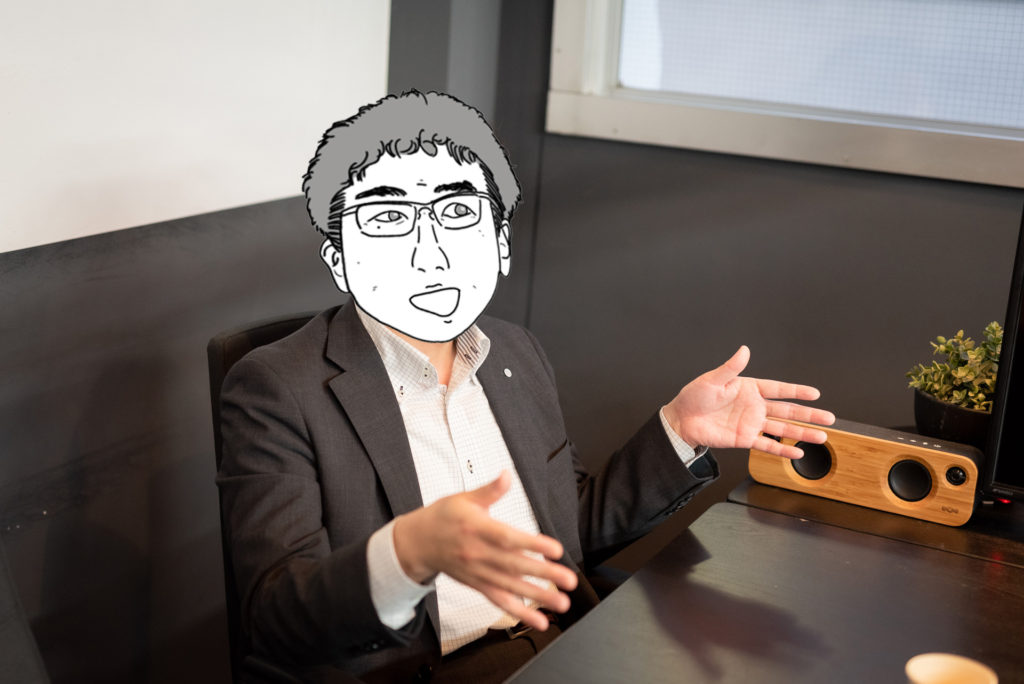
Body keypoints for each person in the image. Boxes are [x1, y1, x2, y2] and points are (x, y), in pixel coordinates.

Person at [216, 91, 835, 683]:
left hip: (559, 646)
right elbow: (275, 618)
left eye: (457, 213)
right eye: (387, 217)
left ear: (501, 244)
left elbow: (567, 534)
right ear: (337, 259)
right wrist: (406, 554)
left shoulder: (514, 352)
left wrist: (678, 429)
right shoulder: (277, 387)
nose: (429, 254)